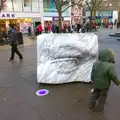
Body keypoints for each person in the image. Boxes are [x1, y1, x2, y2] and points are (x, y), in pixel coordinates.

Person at [89, 49, 120, 113]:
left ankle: (91, 104)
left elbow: (93, 72)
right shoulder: (110, 66)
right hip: (104, 85)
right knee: (103, 96)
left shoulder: (96, 63)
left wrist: (92, 79)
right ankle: (100, 109)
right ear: (109, 57)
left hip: (96, 83)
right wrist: (118, 82)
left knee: (95, 94)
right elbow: (113, 76)